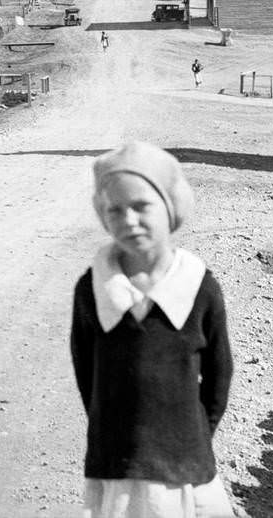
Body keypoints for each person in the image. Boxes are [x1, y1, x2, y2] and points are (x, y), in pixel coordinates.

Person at [71, 142, 236, 518]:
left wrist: (193, 435)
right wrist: (114, 429)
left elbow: (218, 375)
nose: (128, 220)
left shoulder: (198, 287)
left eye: (142, 206)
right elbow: (87, 376)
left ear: (170, 207)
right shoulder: (93, 290)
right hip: (119, 465)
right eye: (115, 210)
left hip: (184, 466)